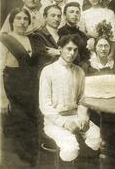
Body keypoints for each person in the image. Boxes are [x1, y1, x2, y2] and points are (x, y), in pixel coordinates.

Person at [39, 34, 101, 162]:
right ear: (60, 49)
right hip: (54, 121)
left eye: (75, 50)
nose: (72, 53)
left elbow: (82, 99)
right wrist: (65, 123)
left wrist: (84, 116)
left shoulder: (79, 71)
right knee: (71, 149)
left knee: (98, 139)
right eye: (69, 49)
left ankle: (81, 162)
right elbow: (45, 105)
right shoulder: (48, 71)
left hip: (76, 116)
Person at [0, 8, 42, 166]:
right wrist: (2, 98)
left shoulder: (32, 39)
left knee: (31, 127)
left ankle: (31, 163)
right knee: (16, 129)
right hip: (13, 90)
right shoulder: (4, 40)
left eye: (25, 19)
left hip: (31, 90)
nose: (22, 22)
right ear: (12, 21)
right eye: (18, 18)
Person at [58, 2, 90, 70]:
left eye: (77, 12)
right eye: (71, 12)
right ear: (64, 15)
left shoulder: (83, 35)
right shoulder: (59, 33)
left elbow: (86, 55)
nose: (75, 15)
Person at [34, 5, 62, 70]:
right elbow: (43, 60)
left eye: (59, 16)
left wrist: (58, 52)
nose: (57, 19)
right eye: (53, 15)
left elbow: (76, 57)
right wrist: (64, 53)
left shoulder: (64, 35)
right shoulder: (38, 36)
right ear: (45, 17)